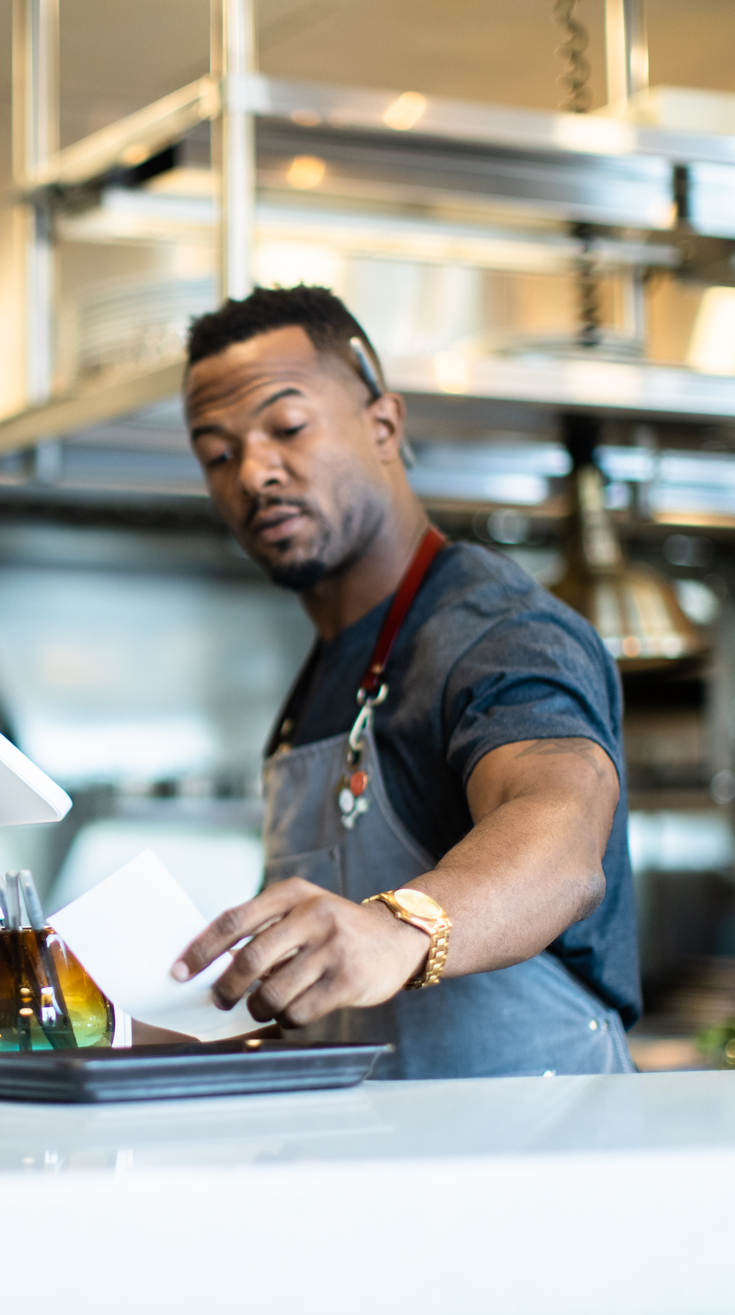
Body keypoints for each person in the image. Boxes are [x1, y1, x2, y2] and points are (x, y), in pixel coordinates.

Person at [169, 286, 638, 1078]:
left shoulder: (496, 632)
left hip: (545, 1141)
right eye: (218, 454)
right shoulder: (323, 672)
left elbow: (561, 831)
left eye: (288, 427)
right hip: (369, 1146)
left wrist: (401, 927)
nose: (253, 473)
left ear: (384, 425)